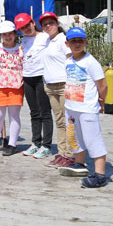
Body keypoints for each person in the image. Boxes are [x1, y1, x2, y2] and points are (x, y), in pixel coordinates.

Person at [58, 27, 109, 188]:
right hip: (72, 107)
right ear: (67, 43)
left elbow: (103, 84)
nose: (77, 44)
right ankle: (79, 164)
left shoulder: (91, 61)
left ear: (86, 42)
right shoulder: (68, 60)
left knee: (93, 139)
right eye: (73, 41)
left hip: (87, 108)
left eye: (80, 41)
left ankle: (100, 175)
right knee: (75, 138)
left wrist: (101, 99)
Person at [14, 13, 54, 159]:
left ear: (32, 22)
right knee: (34, 112)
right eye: (22, 28)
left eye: (27, 25)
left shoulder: (44, 37)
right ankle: (36, 143)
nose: (26, 29)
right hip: (27, 78)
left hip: (41, 77)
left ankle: (46, 145)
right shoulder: (23, 40)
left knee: (45, 112)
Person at [38, 12, 75, 168]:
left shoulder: (62, 40)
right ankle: (61, 153)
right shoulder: (47, 41)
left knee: (69, 122)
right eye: (45, 24)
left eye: (50, 23)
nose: (48, 26)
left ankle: (70, 154)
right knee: (59, 121)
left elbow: (71, 60)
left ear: (57, 23)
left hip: (63, 85)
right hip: (51, 85)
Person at [0, 21, 24, 156]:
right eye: (4, 34)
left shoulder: (21, 49)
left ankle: (12, 144)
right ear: (0, 35)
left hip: (16, 86)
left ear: (15, 34)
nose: (8, 37)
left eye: (10, 34)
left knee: (14, 116)